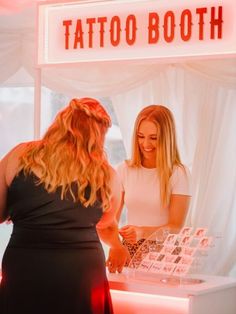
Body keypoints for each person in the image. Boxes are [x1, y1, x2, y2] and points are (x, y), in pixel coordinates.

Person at [0, 97, 129, 314]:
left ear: (59, 124)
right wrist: (117, 246)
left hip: (25, 265)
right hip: (81, 272)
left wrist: (22, 212)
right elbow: (106, 225)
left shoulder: (18, 156)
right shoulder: (105, 174)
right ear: (98, 136)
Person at [116, 105, 191, 259]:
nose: (145, 144)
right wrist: (115, 246)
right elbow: (111, 219)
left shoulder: (178, 173)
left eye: (153, 138)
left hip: (164, 255)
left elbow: (176, 227)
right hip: (130, 252)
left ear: (167, 138)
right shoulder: (124, 169)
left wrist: (142, 232)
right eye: (140, 136)